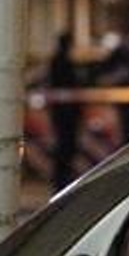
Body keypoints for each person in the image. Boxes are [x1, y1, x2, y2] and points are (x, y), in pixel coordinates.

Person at [47, 31, 83, 193]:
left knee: (65, 146)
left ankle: (62, 179)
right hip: (65, 113)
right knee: (65, 147)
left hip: (62, 112)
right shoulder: (63, 62)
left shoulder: (59, 61)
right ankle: (61, 179)